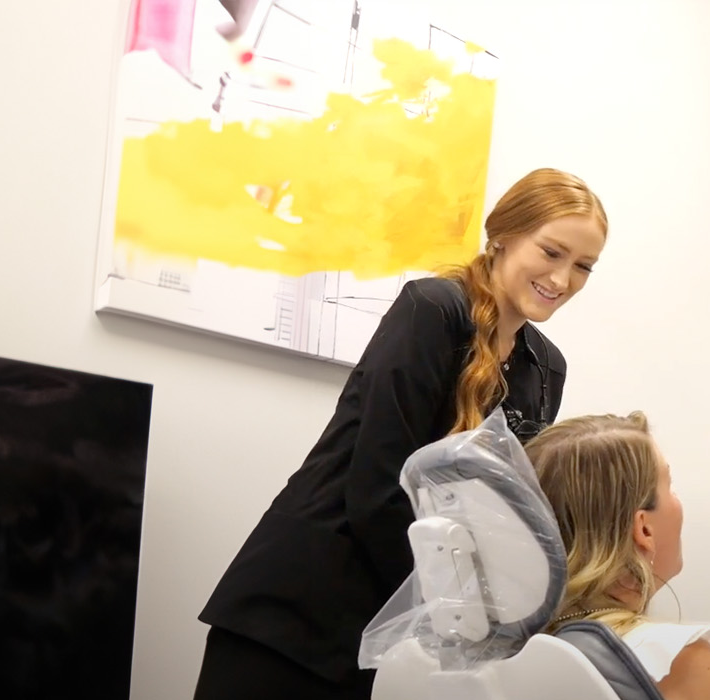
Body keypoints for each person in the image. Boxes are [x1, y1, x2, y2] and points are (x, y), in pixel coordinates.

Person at [193, 168, 610, 700]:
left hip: (400, 630)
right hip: (301, 610)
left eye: (583, 267)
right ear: (503, 234)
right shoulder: (433, 310)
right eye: (551, 253)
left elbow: (508, 520)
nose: (562, 279)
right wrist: (460, 615)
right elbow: (376, 490)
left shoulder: (545, 367)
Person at [524, 412, 710, 700]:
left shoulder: (502, 657)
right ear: (643, 528)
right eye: (669, 486)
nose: (677, 501)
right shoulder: (681, 663)